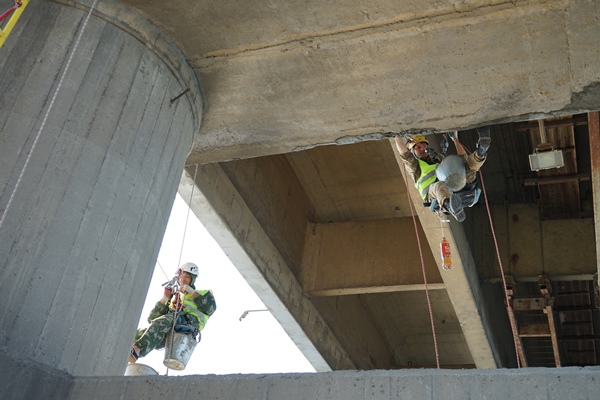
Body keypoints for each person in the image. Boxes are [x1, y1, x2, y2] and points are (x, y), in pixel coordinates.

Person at [394, 127, 491, 222]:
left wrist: (455, 139)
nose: (422, 149)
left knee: (466, 166)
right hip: (433, 195)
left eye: (424, 146)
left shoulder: (439, 160)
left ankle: (481, 151)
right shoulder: (415, 167)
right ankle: (451, 207)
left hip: (454, 186)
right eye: (418, 147)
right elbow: (404, 154)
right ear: (412, 151)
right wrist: (396, 135)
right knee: (439, 186)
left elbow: (462, 160)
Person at [128, 262, 216, 364]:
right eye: (181, 276)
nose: (183, 279)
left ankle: (137, 351)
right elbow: (152, 319)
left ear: (193, 279)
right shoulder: (175, 297)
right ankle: (125, 351)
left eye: (187, 276)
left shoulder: (203, 294)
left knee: (166, 320)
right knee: (137, 333)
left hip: (188, 325)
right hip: (168, 329)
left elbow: (210, 309)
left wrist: (191, 292)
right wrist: (165, 298)